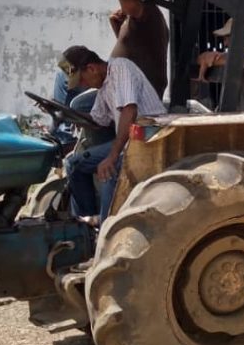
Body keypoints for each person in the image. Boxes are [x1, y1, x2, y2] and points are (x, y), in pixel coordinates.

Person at [60, 46, 166, 222]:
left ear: (92, 68)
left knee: (109, 169)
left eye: (82, 80)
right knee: (74, 164)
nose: (83, 86)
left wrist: (112, 155)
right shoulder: (104, 87)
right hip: (130, 140)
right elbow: (97, 120)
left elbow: (129, 110)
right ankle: (86, 221)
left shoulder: (121, 68)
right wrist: (64, 113)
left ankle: (105, 229)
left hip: (150, 136)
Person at [103, 0, 169, 98]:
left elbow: (130, 5)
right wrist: (116, 25)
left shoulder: (146, 12)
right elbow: (132, 48)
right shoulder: (140, 19)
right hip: (124, 83)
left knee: (76, 99)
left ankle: (62, 116)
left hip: (135, 90)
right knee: (66, 72)